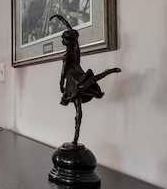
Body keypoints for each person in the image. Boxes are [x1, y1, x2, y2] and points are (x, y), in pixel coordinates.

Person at [50, 15, 121, 145]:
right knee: (79, 105)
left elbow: (63, 72)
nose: (61, 41)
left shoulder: (67, 56)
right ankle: (76, 137)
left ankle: (108, 72)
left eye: (63, 39)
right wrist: (60, 19)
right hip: (78, 74)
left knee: (80, 99)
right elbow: (71, 30)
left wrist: (61, 85)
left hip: (74, 78)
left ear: (68, 41)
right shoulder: (76, 48)